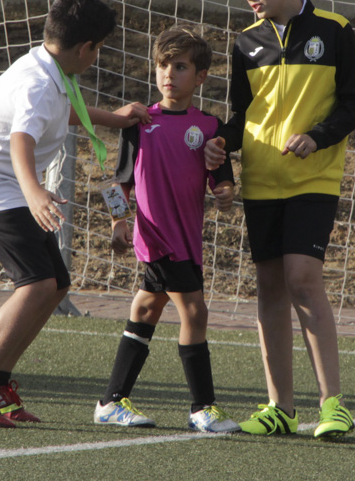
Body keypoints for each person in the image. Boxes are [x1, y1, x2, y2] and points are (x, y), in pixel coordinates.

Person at [0, 0, 150, 428]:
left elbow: (65, 112)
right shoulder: (40, 83)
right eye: (99, 50)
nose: (96, 58)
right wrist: (35, 192)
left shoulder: (52, 70)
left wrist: (115, 118)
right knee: (37, 283)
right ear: (86, 48)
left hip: (8, 186)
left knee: (57, 283)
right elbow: (21, 138)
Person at [204, 0, 355, 439]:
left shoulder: (334, 30)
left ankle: (333, 404)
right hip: (260, 181)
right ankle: (280, 407)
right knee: (271, 286)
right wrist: (220, 145)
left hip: (313, 178)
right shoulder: (245, 43)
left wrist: (317, 138)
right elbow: (241, 117)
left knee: (303, 278)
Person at [93, 26, 241, 433]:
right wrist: (119, 221)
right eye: (162, 66)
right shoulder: (139, 123)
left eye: (180, 66)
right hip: (157, 237)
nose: (169, 74)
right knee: (194, 310)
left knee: (146, 308)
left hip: (187, 237)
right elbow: (116, 182)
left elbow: (222, 181)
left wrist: (226, 193)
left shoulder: (209, 127)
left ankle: (111, 400)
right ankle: (202, 408)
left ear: (201, 76)